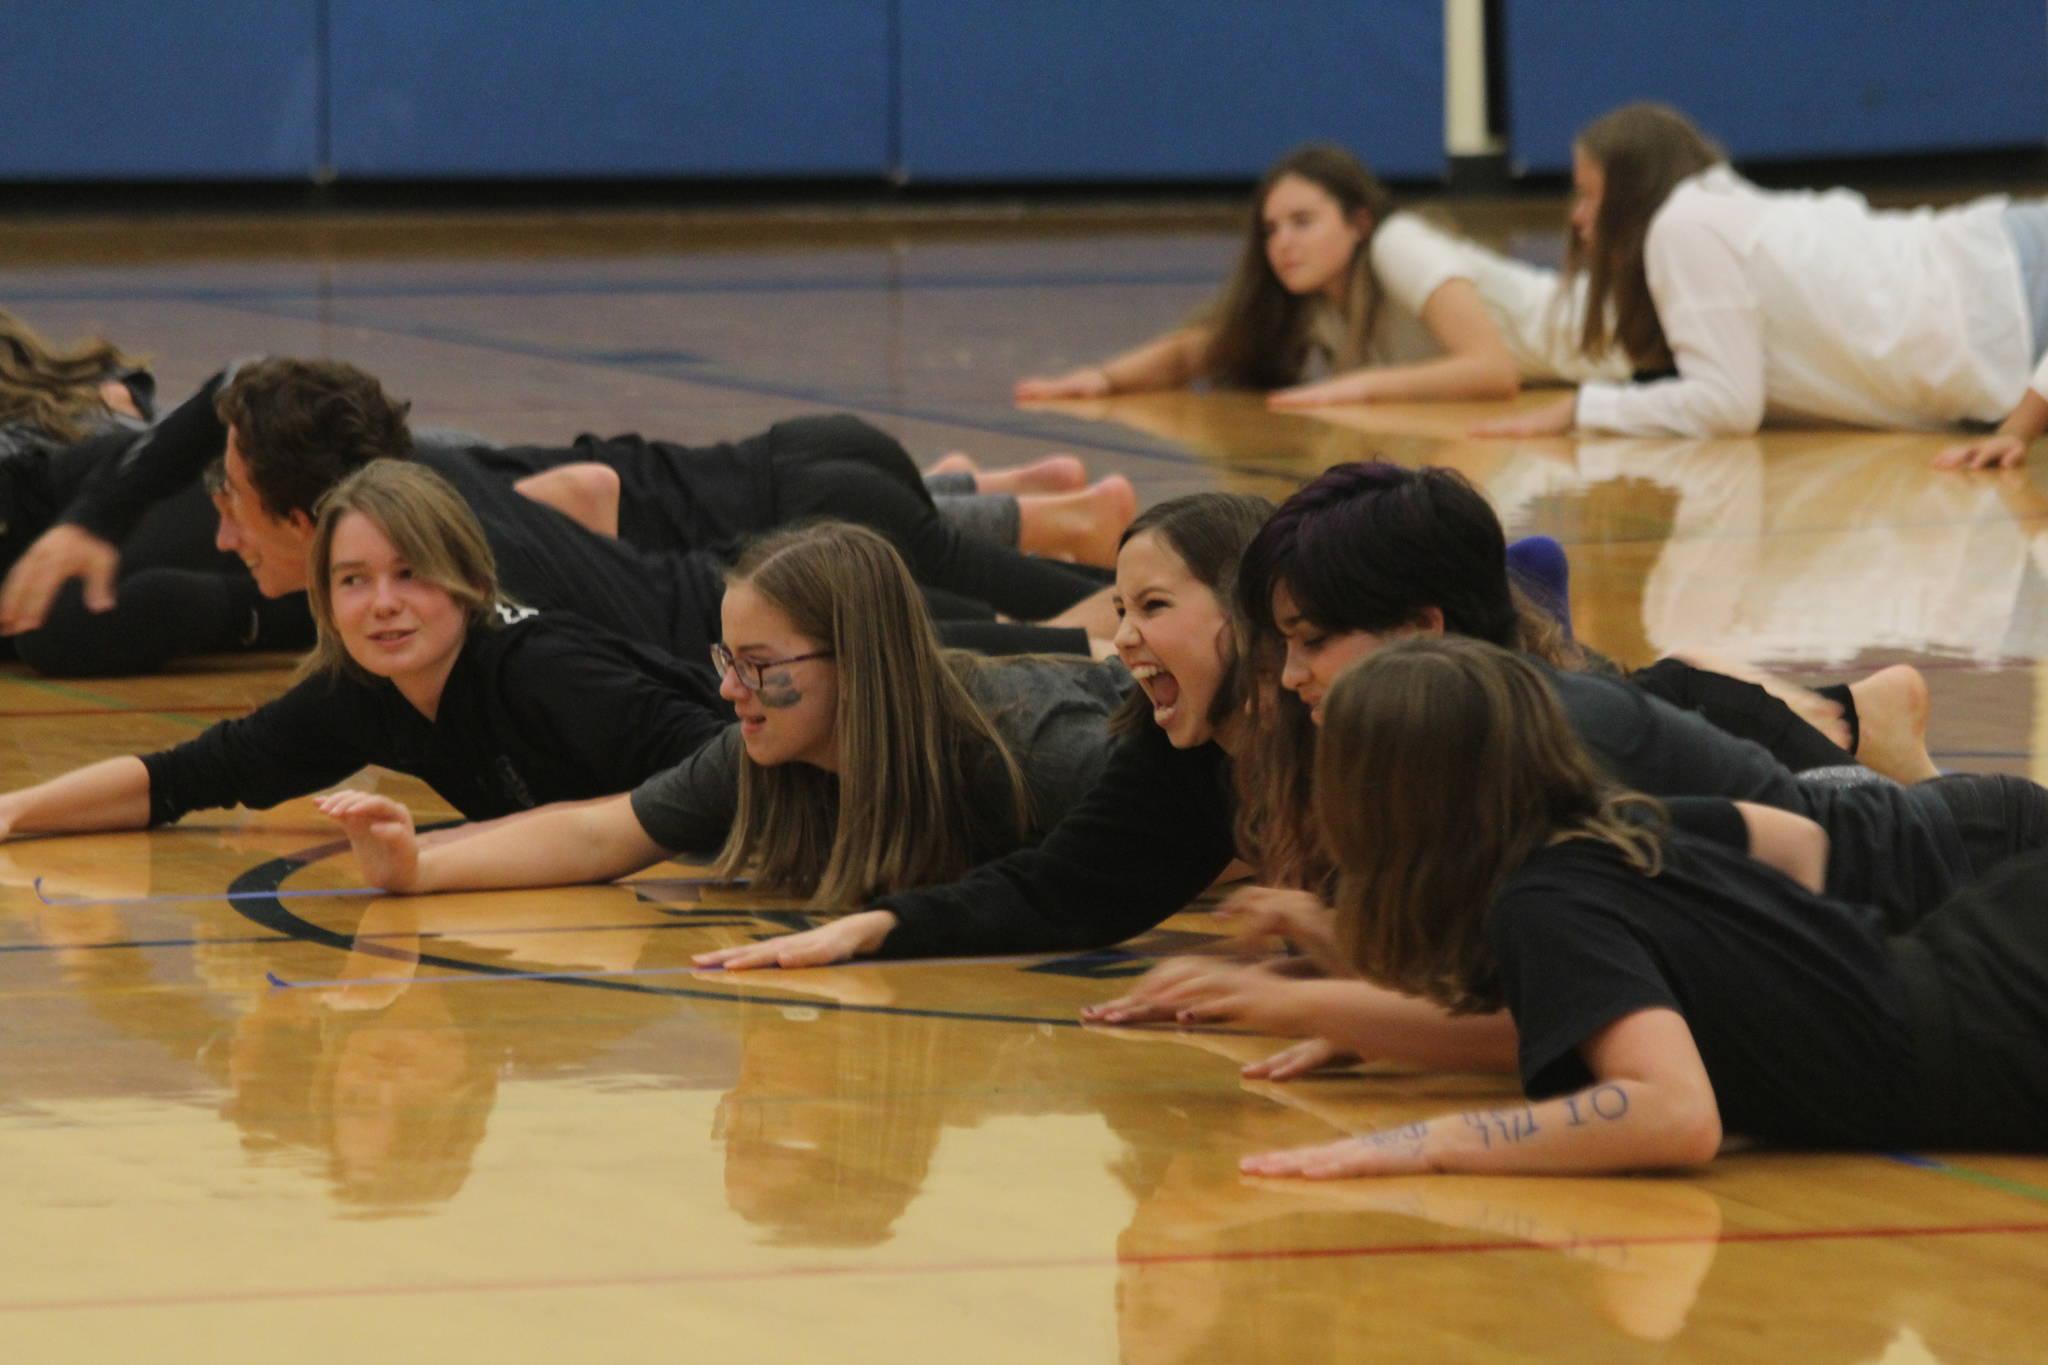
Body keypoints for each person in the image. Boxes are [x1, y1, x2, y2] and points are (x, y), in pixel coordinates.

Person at [1239, 637, 2048, 1177]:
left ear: (1388, 798)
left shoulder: (1542, 901)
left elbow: (1674, 1114)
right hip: (1992, 946)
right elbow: (1796, 842)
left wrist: (1432, 1139)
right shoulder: (1604, 827)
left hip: (2006, 1019)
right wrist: (1783, 1004)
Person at [0, 358, 1118, 671]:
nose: (224, 533)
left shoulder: (440, 578)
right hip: (776, 557)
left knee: (1099, 640)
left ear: (313, 519)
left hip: (783, 592)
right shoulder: (420, 509)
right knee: (1099, 630)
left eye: (236, 510)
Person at [318, 521, 1132, 906]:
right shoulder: (766, 754)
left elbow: (1195, 814)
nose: (729, 690)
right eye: (728, 659)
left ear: (857, 665)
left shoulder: (1039, 753)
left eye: (761, 666)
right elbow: (600, 833)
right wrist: (418, 868)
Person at [0, 460, 732, 838]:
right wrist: (15, 809)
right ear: (324, 599)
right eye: (354, 580)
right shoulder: (361, 692)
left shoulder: (543, 669)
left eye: (410, 574)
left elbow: (740, 767)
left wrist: (462, 855)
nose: (382, 603)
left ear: (472, 583)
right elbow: (179, 777)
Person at [1478, 102, 2048, 450]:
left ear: (1630, 193)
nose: (1577, 218)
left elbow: (1727, 404)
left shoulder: (1684, 225)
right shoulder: (1711, 207)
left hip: (2008, 287)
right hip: (2005, 282)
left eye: (1587, 194)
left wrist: (1586, 408)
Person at [1014, 143, 1626, 409]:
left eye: (1303, 222)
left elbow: (1491, 371)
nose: (1283, 243)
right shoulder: (1314, 303)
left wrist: (1355, 388)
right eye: (1271, 229)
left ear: (1358, 221)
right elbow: (1195, 352)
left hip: (1623, 331)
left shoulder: (1398, 243)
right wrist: (1101, 379)